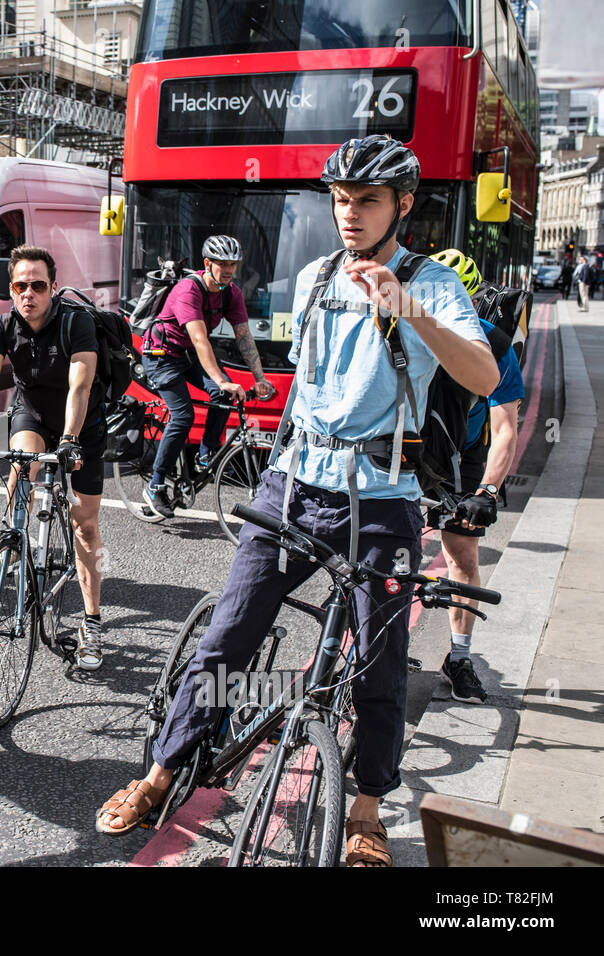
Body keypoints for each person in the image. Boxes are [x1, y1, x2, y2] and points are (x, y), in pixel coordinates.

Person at [95, 135, 499, 867]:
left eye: (367, 201)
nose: (349, 214)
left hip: (382, 502)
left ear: (402, 206)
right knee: (229, 634)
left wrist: (408, 308)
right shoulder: (315, 274)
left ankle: (367, 810)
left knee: (380, 664)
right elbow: (308, 388)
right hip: (292, 486)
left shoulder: (432, 282)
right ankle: (159, 772)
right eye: (341, 200)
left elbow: (481, 376)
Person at [0, 244, 109, 671]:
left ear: (53, 287)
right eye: (20, 285)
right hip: (32, 414)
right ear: (11, 288)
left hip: (81, 426)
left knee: (85, 526)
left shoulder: (76, 324)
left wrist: (71, 438)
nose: (29, 293)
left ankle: (92, 623)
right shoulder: (2, 326)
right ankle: (16, 543)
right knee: (22, 468)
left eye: (38, 285)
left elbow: (80, 386)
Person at [425, 250, 525, 704]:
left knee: (462, 557)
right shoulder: (405, 330)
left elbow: (506, 427)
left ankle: (459, 658)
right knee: (381, 553)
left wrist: (487, 490)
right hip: (401, 452)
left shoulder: (496, 347)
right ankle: (375, 648)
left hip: (461, 460)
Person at [140, 234, 277, 519]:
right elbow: (201, 340)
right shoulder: (188, 290)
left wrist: (260, 377)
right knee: (183, 415)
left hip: (186, 355)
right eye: (222, 263)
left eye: (233, 264)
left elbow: (244, 337)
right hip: (160, 356)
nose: (228, 270)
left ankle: (205, 454)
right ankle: (155, 485)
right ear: (207, 263)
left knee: (222, 395)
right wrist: (223, 379)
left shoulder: (231, 293)